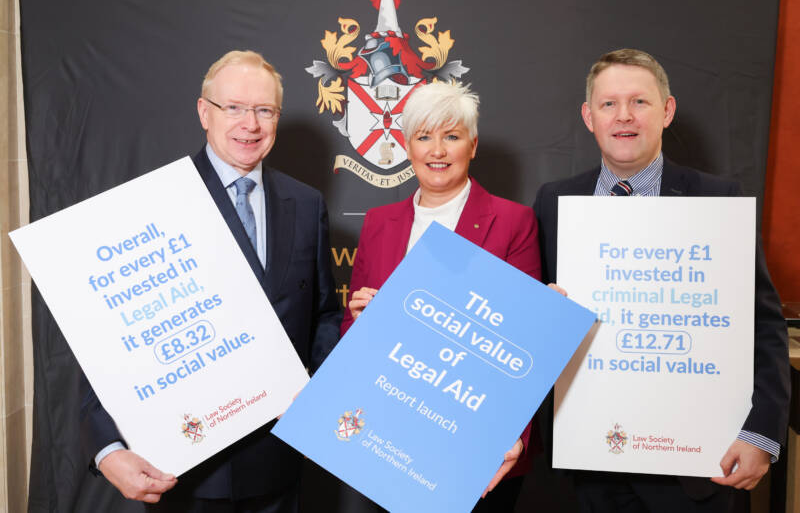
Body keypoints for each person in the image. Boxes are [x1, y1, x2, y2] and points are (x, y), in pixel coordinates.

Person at [80, 50, 341, 511]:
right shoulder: (152, 203)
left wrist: (317, 386)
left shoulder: (306, 204)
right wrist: (107, 448)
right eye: (234, 107)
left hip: (281, 465)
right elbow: (110, 339)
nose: (251, 124)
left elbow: (323, 314)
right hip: (185, 471)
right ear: (205, 112)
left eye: (264, 110)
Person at [533, 48, 790, 512]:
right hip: (584, 463)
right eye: (609, 104)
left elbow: (763, 325)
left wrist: (762, 433)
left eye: (640, 102)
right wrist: (541, 312)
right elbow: (530, 325)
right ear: (589, 117)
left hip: (693, 470)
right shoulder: (554, 202)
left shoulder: (718, 200)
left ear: (667, 111)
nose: (623, 116)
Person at [342, 81, 542, 511]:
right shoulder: (379, 222)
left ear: (473, 145)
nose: (437, 150)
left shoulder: (514, 221)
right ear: (406, 146)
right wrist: (359, 322)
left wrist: (517, 438)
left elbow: (527, 343)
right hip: (390, 433)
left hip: (480, 438)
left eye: (451, 136)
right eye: (424, 136)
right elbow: (350, 330)